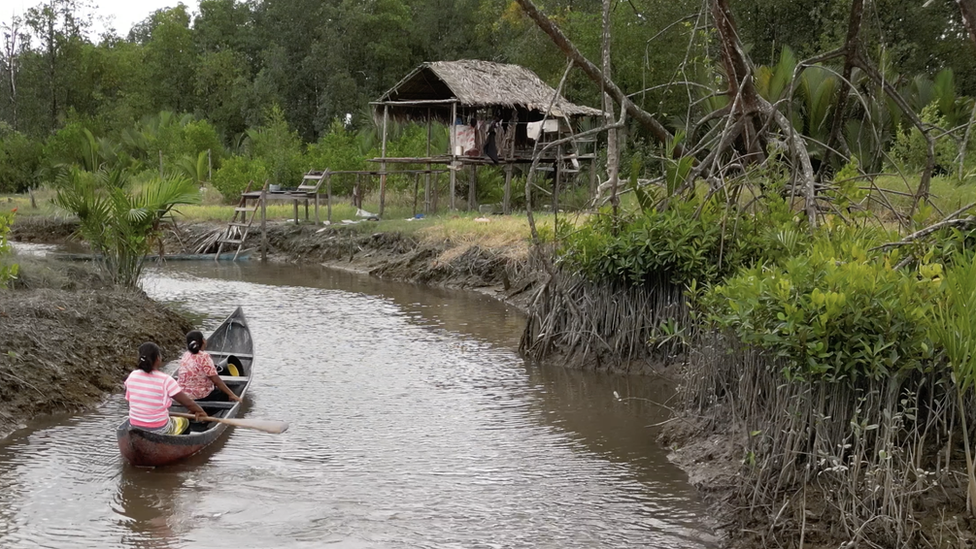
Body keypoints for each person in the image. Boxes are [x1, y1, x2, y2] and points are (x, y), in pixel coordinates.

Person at [124, 342, 206, 434]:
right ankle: (178, 446)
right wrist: (200, 411)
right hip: (159, 429)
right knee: (185, 422)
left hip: (134, 426)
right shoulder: (166, 380)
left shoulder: (132, 376)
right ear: (158, 359)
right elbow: (188, 403)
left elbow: (130, 401)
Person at [177, 330, 242, 402]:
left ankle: (195, 409)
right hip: (198, 395)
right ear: (203, 341)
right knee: (225, 395)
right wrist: (232, 394)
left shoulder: (186, 354)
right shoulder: (204, 356)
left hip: (182, 393)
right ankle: (200, 411)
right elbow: (216, 380)